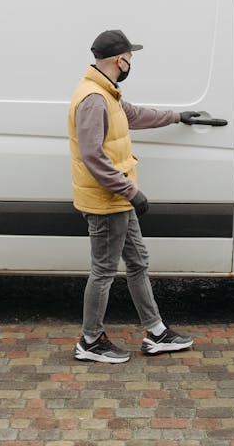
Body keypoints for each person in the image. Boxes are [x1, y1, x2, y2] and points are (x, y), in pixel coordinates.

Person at [67, 29, 200, 363]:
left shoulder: (106, 92)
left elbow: (134, 115)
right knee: (103, 271)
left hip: (117, 199)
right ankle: (90, 340)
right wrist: (131, 191)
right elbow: (93, 156)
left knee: (138, 262)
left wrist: (176, 116)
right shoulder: (93, 99)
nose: (130, 63)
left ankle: (156, 332)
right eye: (130, 57)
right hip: (107, 201)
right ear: (119, 59)